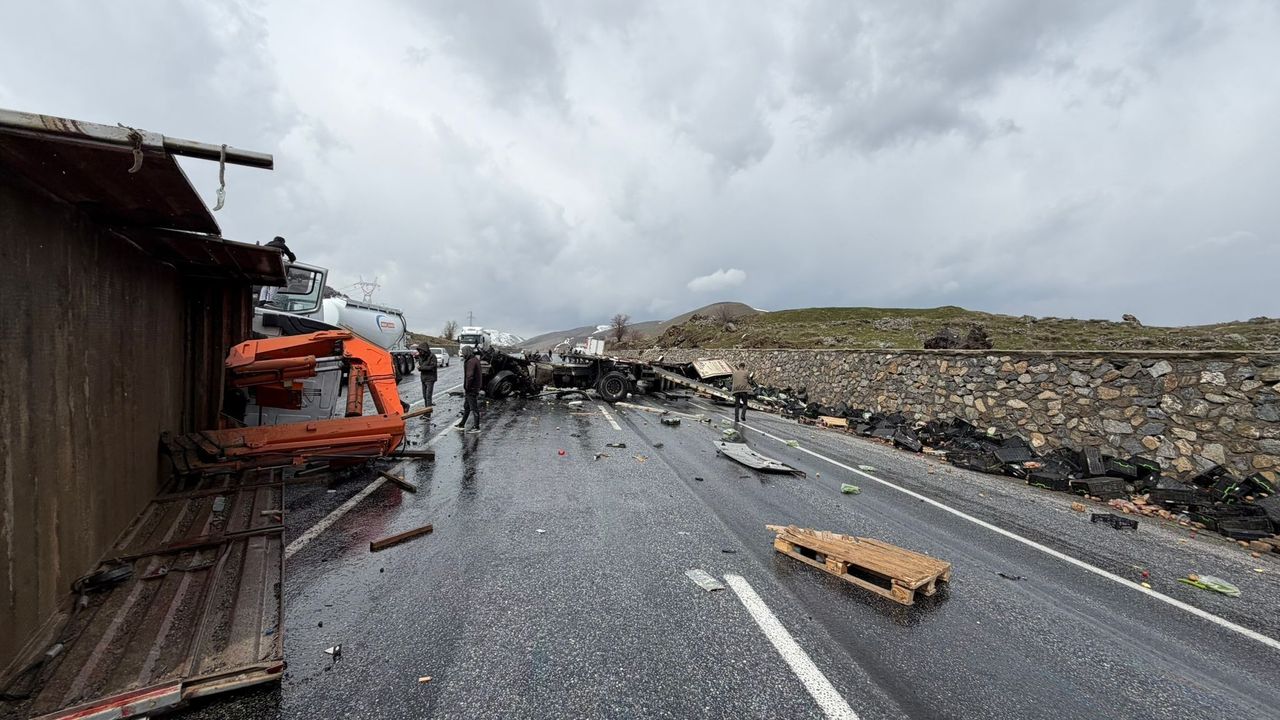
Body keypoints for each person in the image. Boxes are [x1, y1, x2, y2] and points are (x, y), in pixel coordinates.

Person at [456, 346, 482, 432]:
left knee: (474, 408)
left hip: (471, 388)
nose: (463, 354)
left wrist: (467, 387)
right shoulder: (474, 360)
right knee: (467, 407)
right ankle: (462, 424)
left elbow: (469, 376)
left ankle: (476, 427)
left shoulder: (471, 362)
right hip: (474, 387)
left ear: (467, 352)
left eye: (463, 352)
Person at [417, 345, 438, 411]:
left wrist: (421, 368)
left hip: (430, 378)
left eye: (421, 350)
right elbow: (421, 366)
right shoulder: (420, 356)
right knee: (425, 396)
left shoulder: (432, 356)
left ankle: (428, 413)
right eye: (419, 350)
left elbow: (432, 367)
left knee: (428, 396)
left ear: (424, 350)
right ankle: (426, 410)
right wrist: (420, 368)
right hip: (423, 378)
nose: (420, 352)